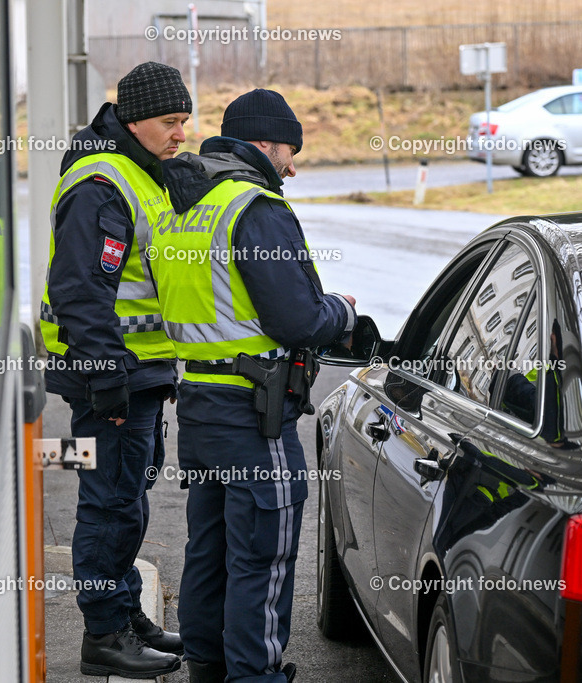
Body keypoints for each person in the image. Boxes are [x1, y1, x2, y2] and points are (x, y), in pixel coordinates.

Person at [149, 89, 357, 683]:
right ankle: (255, 676)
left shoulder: (182, 206)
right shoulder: (255, 208)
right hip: (254, 410)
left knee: (209, 549)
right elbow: (298, 320)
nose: (292, 167)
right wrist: (342, 310)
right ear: (265, 143)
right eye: (290, 152)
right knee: (264, 552)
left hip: (199, 401)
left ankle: (207, 667)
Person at [38, 61, 190, 678]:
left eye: (184, 121)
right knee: (108, 508)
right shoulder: (103, 182)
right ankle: (102, 634)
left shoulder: (138, 173)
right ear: (134, 120)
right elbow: (80, 291)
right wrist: (107, 379)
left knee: (127, 501)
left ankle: (125, 614)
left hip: (138, 374)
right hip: (111, 377)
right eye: (170, 121)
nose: (180, 133)